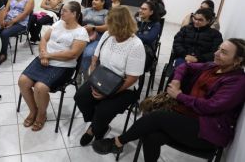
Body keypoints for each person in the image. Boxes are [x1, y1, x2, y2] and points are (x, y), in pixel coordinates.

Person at [92, 38, 245, 162]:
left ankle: (117, 142)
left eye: (223, 52)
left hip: (207, 132)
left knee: (156, 117)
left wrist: (179, 95)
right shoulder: (212, 66)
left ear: (238, 60)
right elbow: (184, 67)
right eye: (218, 48)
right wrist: (177, 80)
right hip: (190, 116)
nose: (217, 53)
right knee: (151, 134)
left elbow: (210, 107)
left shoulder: (237, 82)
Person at [74, 6, 146, 146]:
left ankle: (93, 129)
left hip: (124, 86)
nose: (108, 28)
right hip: (102, 77)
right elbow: (95, 57)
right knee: (80, 97)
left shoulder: (136, 45)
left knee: (103, 110)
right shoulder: (108, 34)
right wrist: (92, 78)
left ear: (121, 26)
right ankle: (98, 125)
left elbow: (132, 78)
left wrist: (108, 93)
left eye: (111, 25)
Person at [18, 1, 89, 131]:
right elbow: (44, 39)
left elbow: (72, 54)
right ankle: (33, 111)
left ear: (74, 14)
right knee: (23, 81)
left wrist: (48, 56)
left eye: (65, 11)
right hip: (44, 58)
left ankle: (41, 115)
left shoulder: (81, 32)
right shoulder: (58, 23)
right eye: (62, 10)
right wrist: (43, 53)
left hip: (63, 66)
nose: (61, 12)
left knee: (40, 87)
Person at [0, 0, 34, 65]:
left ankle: (3, 54)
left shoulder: (30, 0)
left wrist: (12, 22)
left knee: (4, 33)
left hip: (21, 23)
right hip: (8, 20)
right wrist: (2, 21)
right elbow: (6, 10)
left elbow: (25, 14)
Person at [80, 0, 108, 77]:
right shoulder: (87, 10)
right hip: (83, 35)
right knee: (76, 52)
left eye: (96, 0)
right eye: (93, 0)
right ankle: (79, 73)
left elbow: (107, 27)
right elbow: (77, 19)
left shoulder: (106, 12)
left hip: (97, 38)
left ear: (102, 2)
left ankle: (85, 76)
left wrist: (93, 28)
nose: (93, 1)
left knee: (88, 54)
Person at [135, 1, 161, 70]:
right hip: (133, 47)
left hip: (146, 52)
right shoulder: (137, 21)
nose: (140, 11)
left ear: (151, 12)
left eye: (144, 9)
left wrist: (133, 35)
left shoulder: (156, 24)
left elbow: (149, 39)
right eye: (141, 8)